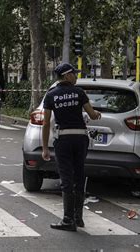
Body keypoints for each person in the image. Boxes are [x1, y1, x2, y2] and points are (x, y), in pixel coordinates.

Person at [41, 62, 101, 232]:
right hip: (80, 139)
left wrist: (45, 147)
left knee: (66, 178)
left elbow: (46, 123)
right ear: (67, 76)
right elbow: (91, 114)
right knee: (79, 175)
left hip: (63, 140)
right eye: (74, 74)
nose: (76, 76)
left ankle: (68, 220)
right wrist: (97, 115)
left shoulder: (51, 95)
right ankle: (78, 218)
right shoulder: (79, 92)